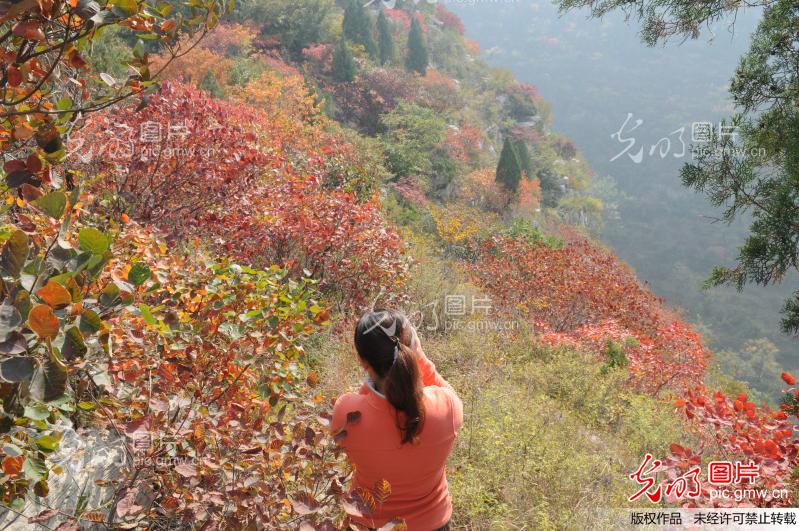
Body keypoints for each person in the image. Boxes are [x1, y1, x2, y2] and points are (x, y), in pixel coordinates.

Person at [332, 309, 464, 530]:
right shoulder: (448, 409)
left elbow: (367, 402)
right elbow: (444, 392)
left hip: (367, 523)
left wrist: (371, 378)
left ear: (363, 361)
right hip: (432, 523)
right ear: (411, 348)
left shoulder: (345, 413)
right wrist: (419, 359)